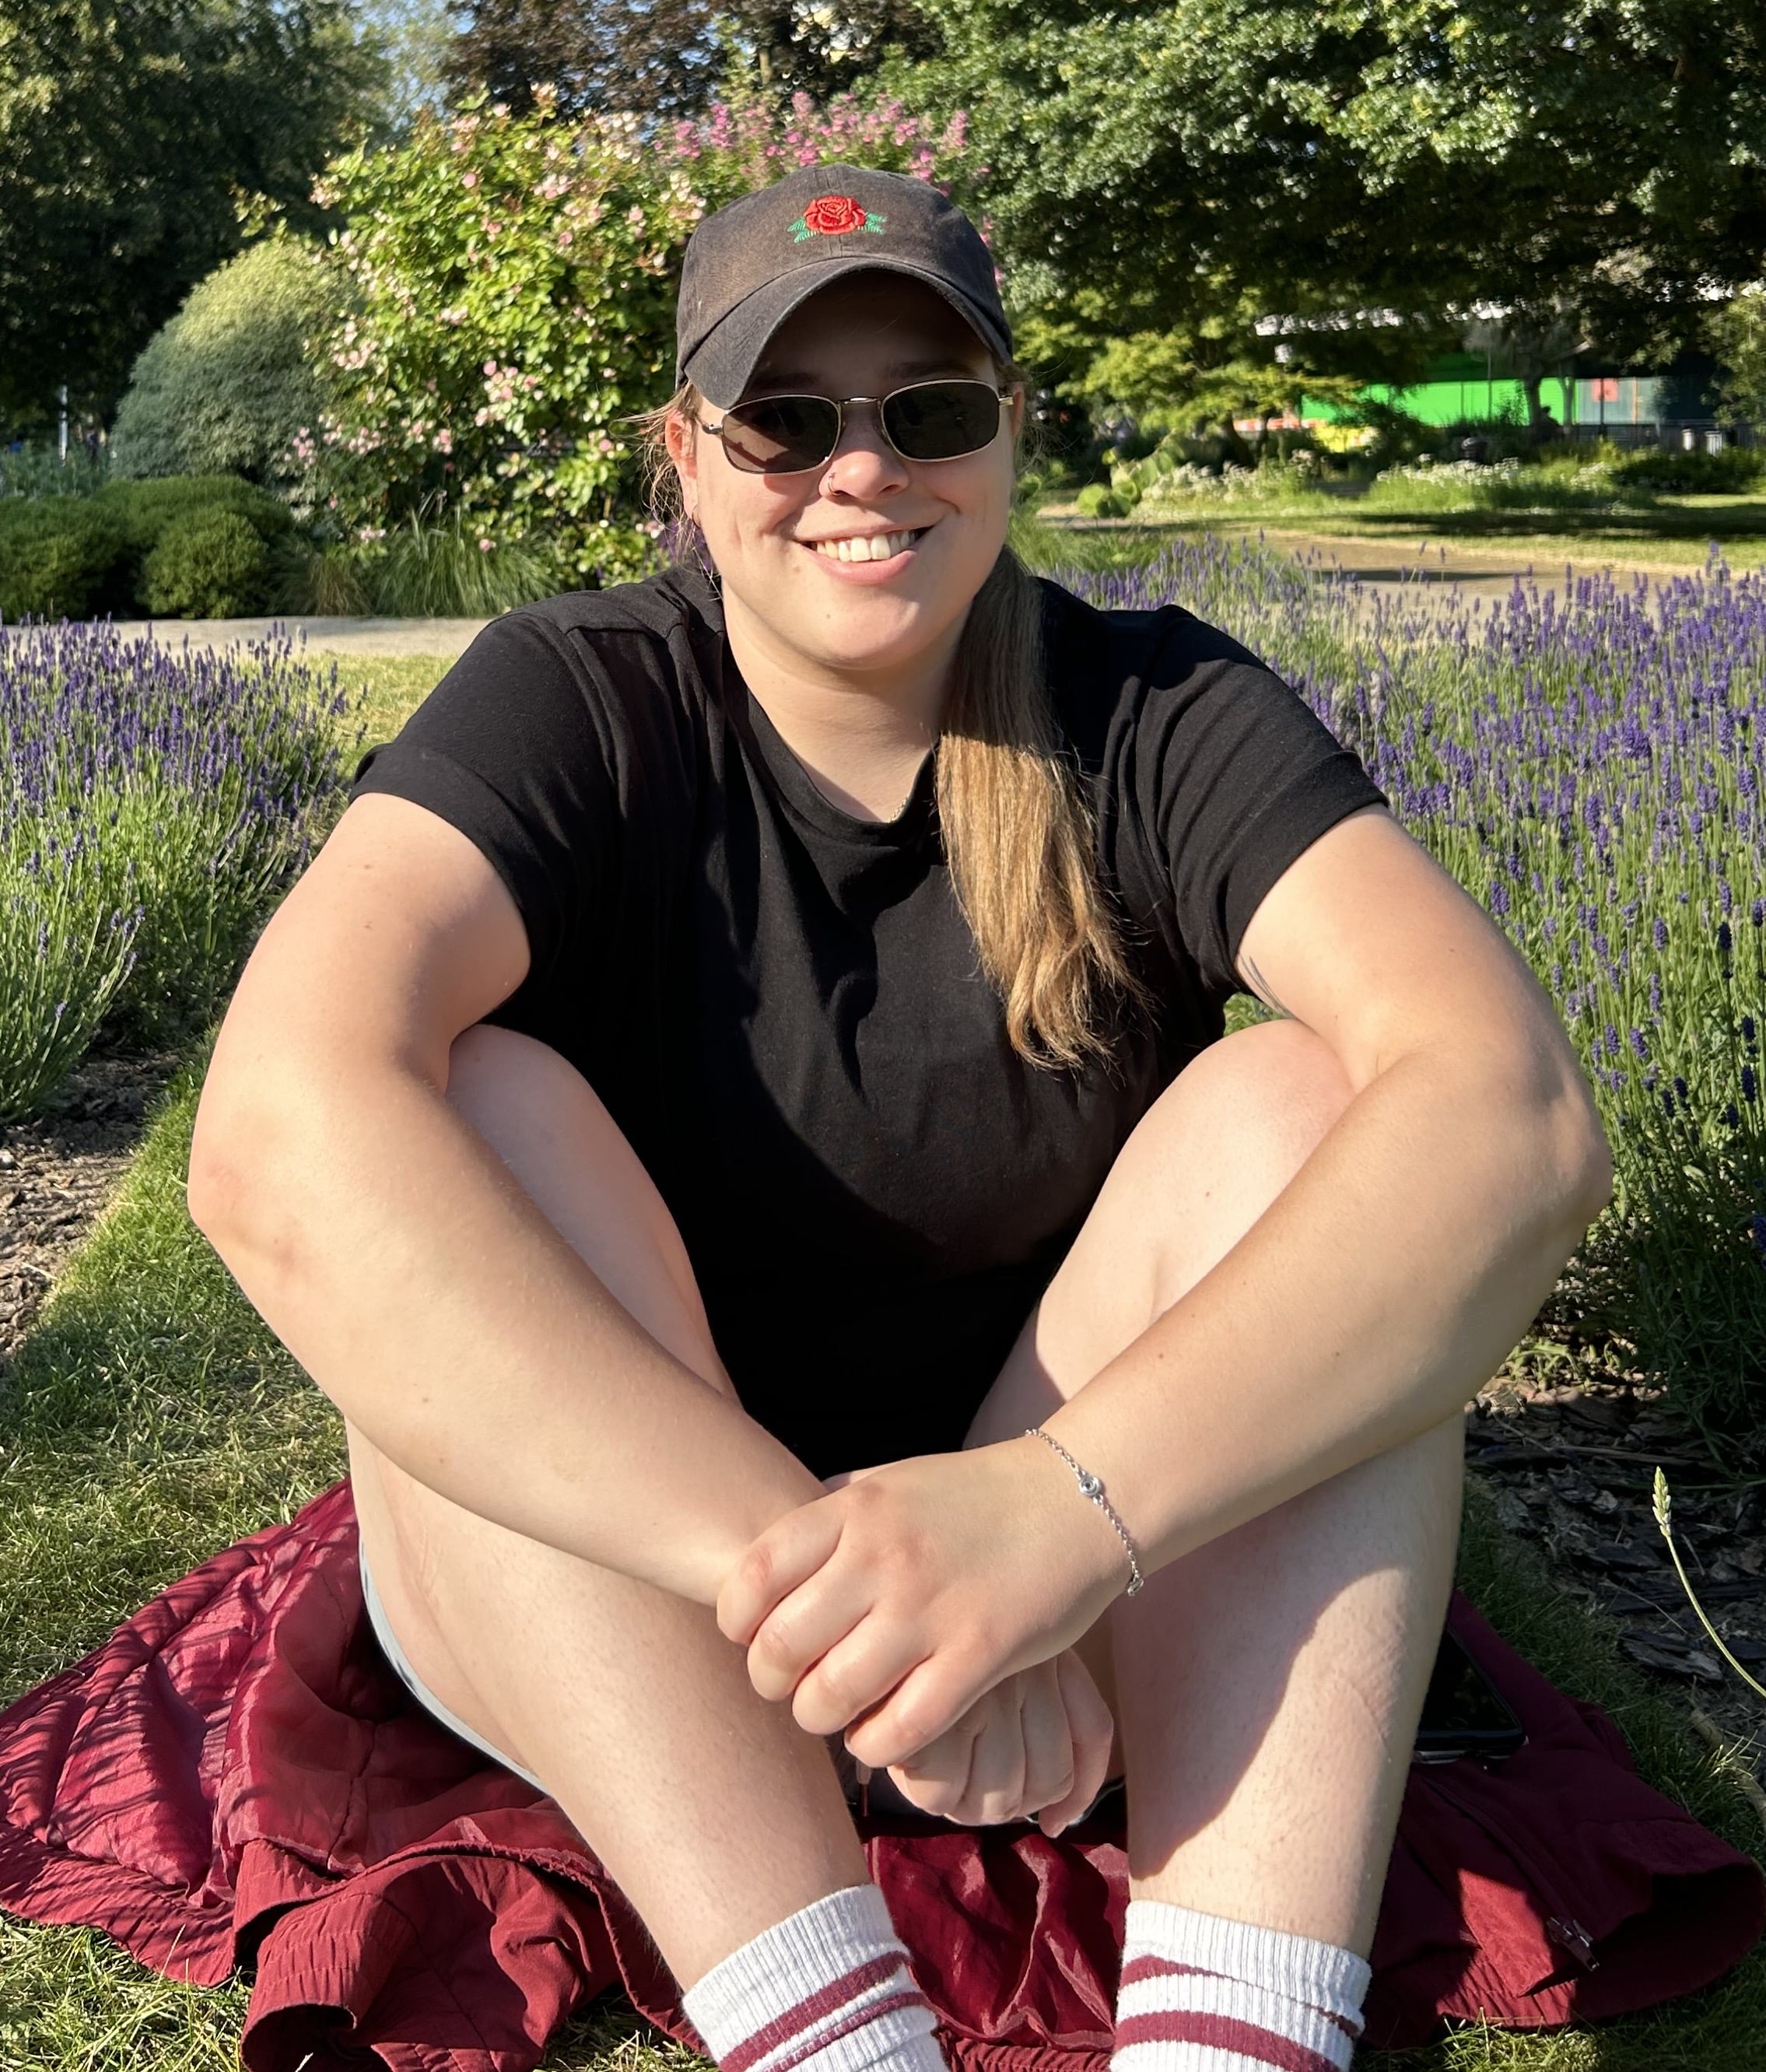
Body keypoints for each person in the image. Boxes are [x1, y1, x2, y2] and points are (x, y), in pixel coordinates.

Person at [188, 166, 1611, 2072]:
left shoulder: (1152, 710)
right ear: (684, 459)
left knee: (1313, 1100)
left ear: (1010, 439)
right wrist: (852, 1596)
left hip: (1080, 1594)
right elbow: (274, 1133)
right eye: (788, 417)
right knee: (467, 1102)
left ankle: (1236, 2045)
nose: (862, 469)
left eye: (927, 410)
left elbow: (1508, 1116)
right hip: (644, 1604)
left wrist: (1049, 1521)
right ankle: (834, 2036)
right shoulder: (580, 700)